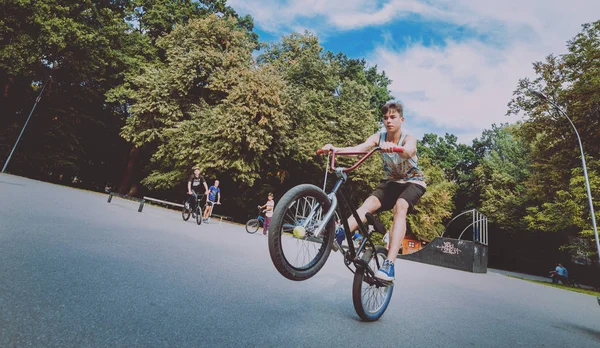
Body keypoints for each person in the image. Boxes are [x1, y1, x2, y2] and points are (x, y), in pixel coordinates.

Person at [320, 100, 426, 282]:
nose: (388, 121)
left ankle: (389, 265)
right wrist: (335, 150)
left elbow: (409, 151)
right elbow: (359, 149)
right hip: (391, 183)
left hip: (413, 182)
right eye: (385, 118)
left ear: (402, 119)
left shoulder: (408, 138)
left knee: (400, 207)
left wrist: (397, 149)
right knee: (368, 204)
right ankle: (338, 235)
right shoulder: (379, 137)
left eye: (392, 117)